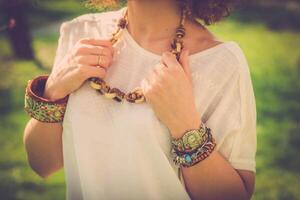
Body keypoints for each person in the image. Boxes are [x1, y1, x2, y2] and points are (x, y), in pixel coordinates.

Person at [23, 0, 257, 199]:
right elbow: (42, 164)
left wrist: (185, 124)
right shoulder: (80, 33)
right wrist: (53, 91)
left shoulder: (220, 63)